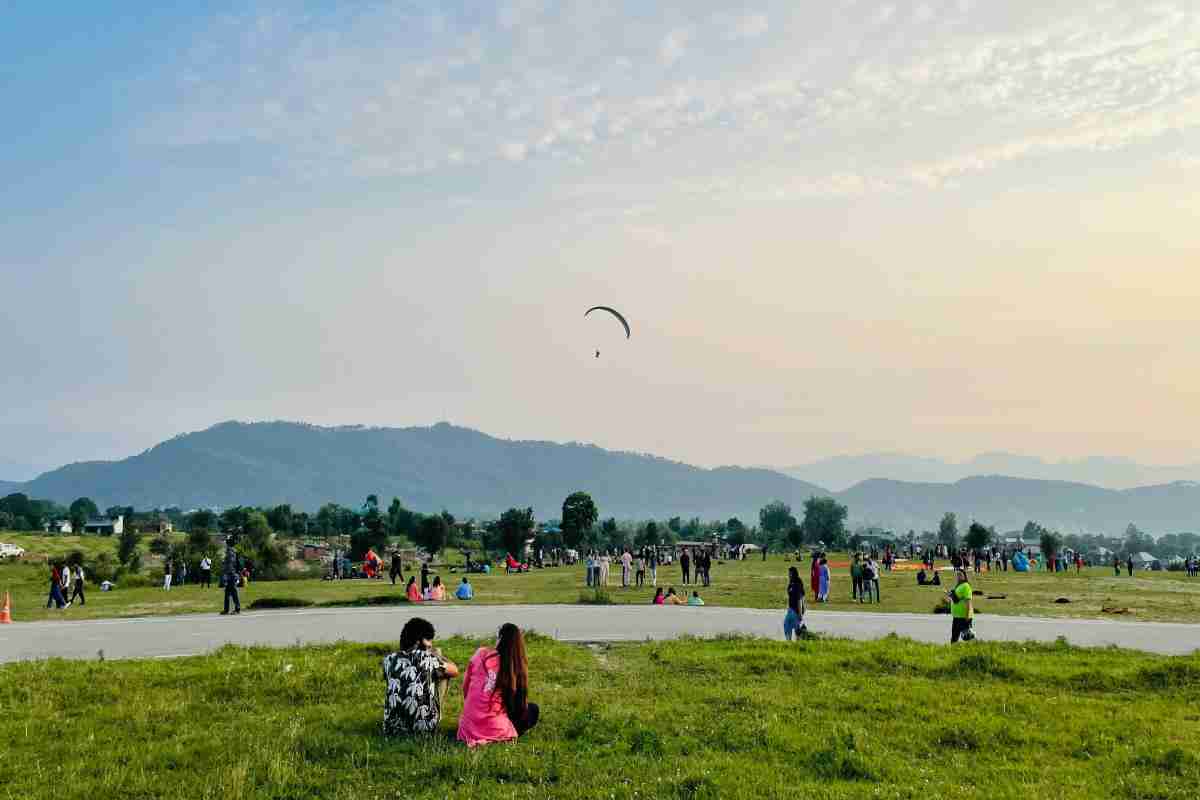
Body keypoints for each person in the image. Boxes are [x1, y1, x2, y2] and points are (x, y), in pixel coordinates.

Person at [457, 623, 539, 747]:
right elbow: (519, 707)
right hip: (495, 727)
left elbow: (465, 688)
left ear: (499, 638)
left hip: (467, 726)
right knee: (533, 709)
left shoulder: (480, 653)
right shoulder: (515, 666)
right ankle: (497, 732)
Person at [383, 617, 459, 736]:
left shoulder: (388, 659)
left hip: (392, 728)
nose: (431, 645)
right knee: (444, 675)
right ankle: (435, 716)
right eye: (429, 641)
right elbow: (454, 670)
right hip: (425, 728)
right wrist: (436, 655)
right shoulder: (428, 659)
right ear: (420, 641)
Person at [949, 569, 974, 643]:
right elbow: (957, 599)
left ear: (964, 576)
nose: (958, 576)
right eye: (957, 575)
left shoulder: (966, 586)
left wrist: (967, 616)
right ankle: (953, 652)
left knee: (967, 638)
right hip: (956, 616)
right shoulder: (958, 586)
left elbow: (968, 602)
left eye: (960, 575)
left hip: (963, 616)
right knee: (954, 638)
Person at [784, 566, 806, 641]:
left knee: (797, 629)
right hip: (791, 609)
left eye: (790, 573)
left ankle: (798, 642)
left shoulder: (797, 584)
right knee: (787, 625)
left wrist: (800, 613)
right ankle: (789, 641)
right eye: (788, 573)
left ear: (793, 574)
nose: (788, 575)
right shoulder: (791, 583)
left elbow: (799, 599)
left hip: (796, 610)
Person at [221, 537, 241, 615]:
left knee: (233, 592)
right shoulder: (229, 551)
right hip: (230, 574)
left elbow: (231, 564)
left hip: (231, 574)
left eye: (226, 543)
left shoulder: (231, 552)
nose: (225, 544)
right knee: (227, 592)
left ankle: (237, 609)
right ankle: (226, 610)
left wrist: (227, 574)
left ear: (228, 544)